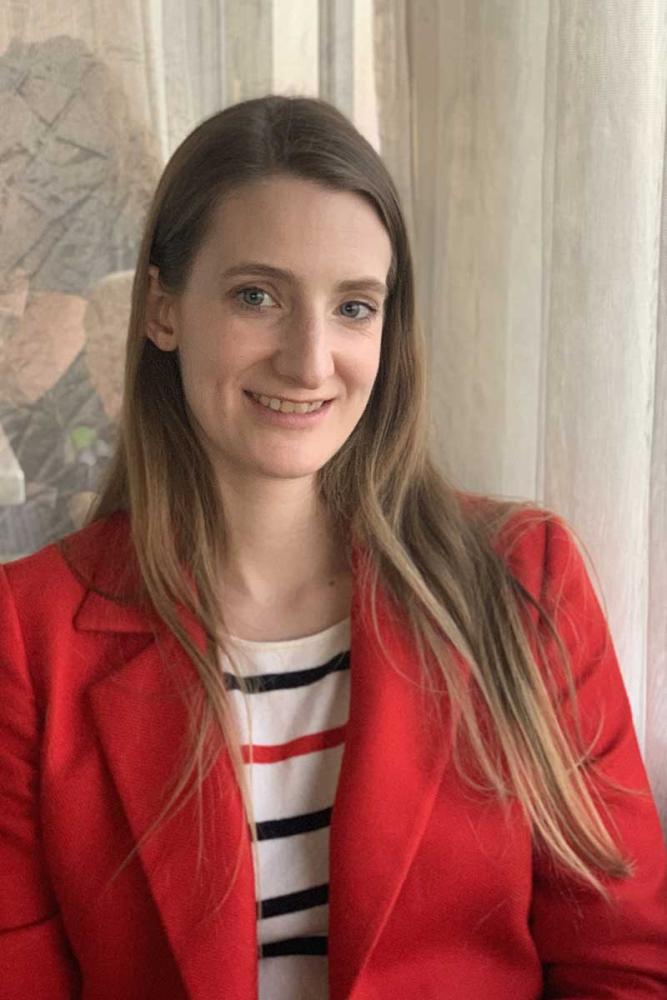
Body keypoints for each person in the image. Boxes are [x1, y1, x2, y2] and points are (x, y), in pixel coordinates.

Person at [1, 94, 665, 1000]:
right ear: (163, 310)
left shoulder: (522, 580)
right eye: (257, 296)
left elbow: (622, 966)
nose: (310, 360)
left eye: (354, 307)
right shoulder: (27, 634)